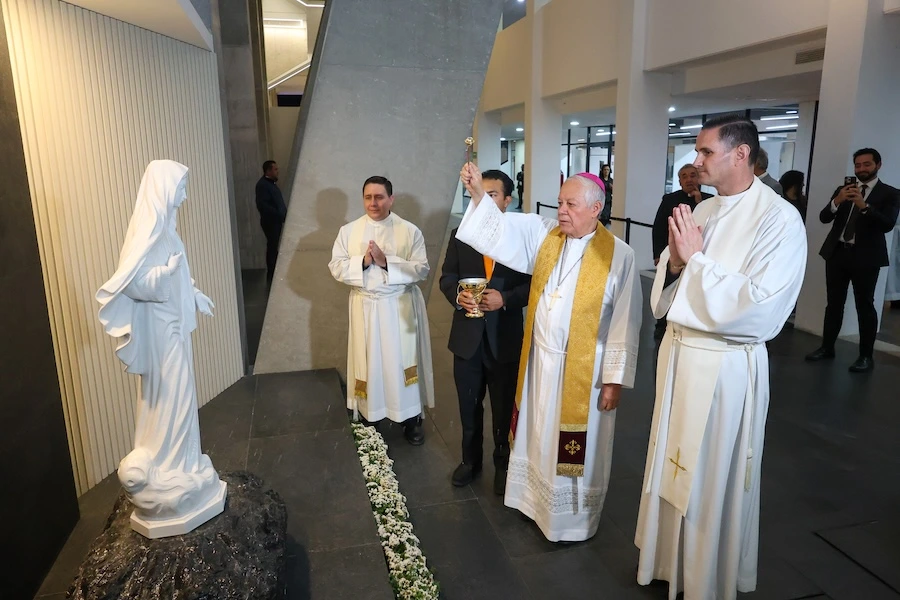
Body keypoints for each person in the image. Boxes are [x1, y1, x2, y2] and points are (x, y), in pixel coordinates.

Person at [636, 114, 807, 600]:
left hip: (725, 368)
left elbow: (761, 307)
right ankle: (668, 560)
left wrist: (694, 261)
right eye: (697, 151)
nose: (696, 162)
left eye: (706, 152)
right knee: (670, 461)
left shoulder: (779, 219)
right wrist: (672, 262)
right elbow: (671, 291)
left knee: (709, 476)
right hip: (680, 356)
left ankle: (706, 576)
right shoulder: (705, 212)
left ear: (741, 154)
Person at [458, 164, 642, 543]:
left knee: (570, 447)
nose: (561, 210)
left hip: (583, 373)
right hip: (540, 361)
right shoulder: (547, 237)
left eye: (571, 204)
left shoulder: (618, 256)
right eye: (560, 202)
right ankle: (531, 503)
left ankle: (569, 522)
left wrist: (613, 380)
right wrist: (478, 192)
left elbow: (626, 320)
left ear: (596, 208)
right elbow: (504, 230)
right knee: (537, 433)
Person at [97, 160, 226, 528]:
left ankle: (184, 463)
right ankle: (169, 463)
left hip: (173, 326)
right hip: (160, 330)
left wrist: (194, 294)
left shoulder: (167, 230)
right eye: (181, 186)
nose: (184, 194)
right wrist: (165, 275)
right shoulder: (148, 232)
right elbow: (136, 284)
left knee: (181, 394)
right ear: (165, 188)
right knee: (173, 395)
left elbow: (179, 274)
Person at [440, 170, 531, 495]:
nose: (484, 198)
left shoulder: (520, 237)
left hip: (504, 337)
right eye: (480, 193)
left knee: (504, 408)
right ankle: (470, 461)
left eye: (492, 194)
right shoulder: (460, 235)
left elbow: (532, 285)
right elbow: (447, 277)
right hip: (466, 337)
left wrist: (505, 299)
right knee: (468, 405)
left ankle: (503, 464)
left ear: (508, 200)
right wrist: (457, 296)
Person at [329, 176, 435, 444]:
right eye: (368, 197)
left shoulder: (409, 231)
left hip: (398, 306)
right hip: (365, 306)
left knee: (402, 361)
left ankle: (411, 418)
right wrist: (364, 262)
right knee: (369, 360)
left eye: (379, 197)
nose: (373, 203)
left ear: (391, 198)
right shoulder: (349, 231)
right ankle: (369, 413)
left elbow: (422, 268)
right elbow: (336, 266)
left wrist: (386, 262)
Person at [805, 148, 900, 372]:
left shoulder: (891, 193)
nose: (861, 169)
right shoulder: (844, 189)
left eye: (866, 164)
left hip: (866, 258)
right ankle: (827, 347)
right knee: (834, 304)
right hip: (837, 253)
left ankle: (866, 356)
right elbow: (824, 217)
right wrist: (837, 201)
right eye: (857, 165)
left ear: (878, 165)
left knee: (865, 306)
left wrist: (864, 206)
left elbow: (887, 224)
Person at [651, 165, 713, 340]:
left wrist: (700, 202)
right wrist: (658, 254)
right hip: (672, 257)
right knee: (667, 289)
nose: (689, 180)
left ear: (699, 178)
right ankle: (661, 325)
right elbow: (658, 227)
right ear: (679, 181)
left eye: (693, 175)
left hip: (698, 257)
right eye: (684, 176)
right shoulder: (670, 199)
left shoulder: (710, 201)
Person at [255, 160, 287, 285]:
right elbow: (263, 205)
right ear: (268, 170)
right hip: (271, 222)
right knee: (272, 246)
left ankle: (273, 271)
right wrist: (278, 214)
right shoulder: (263, 185)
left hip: (275, 221)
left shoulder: (270, 184)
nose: (277, 171)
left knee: (274, 246)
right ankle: (272, 272)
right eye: (275, 169)